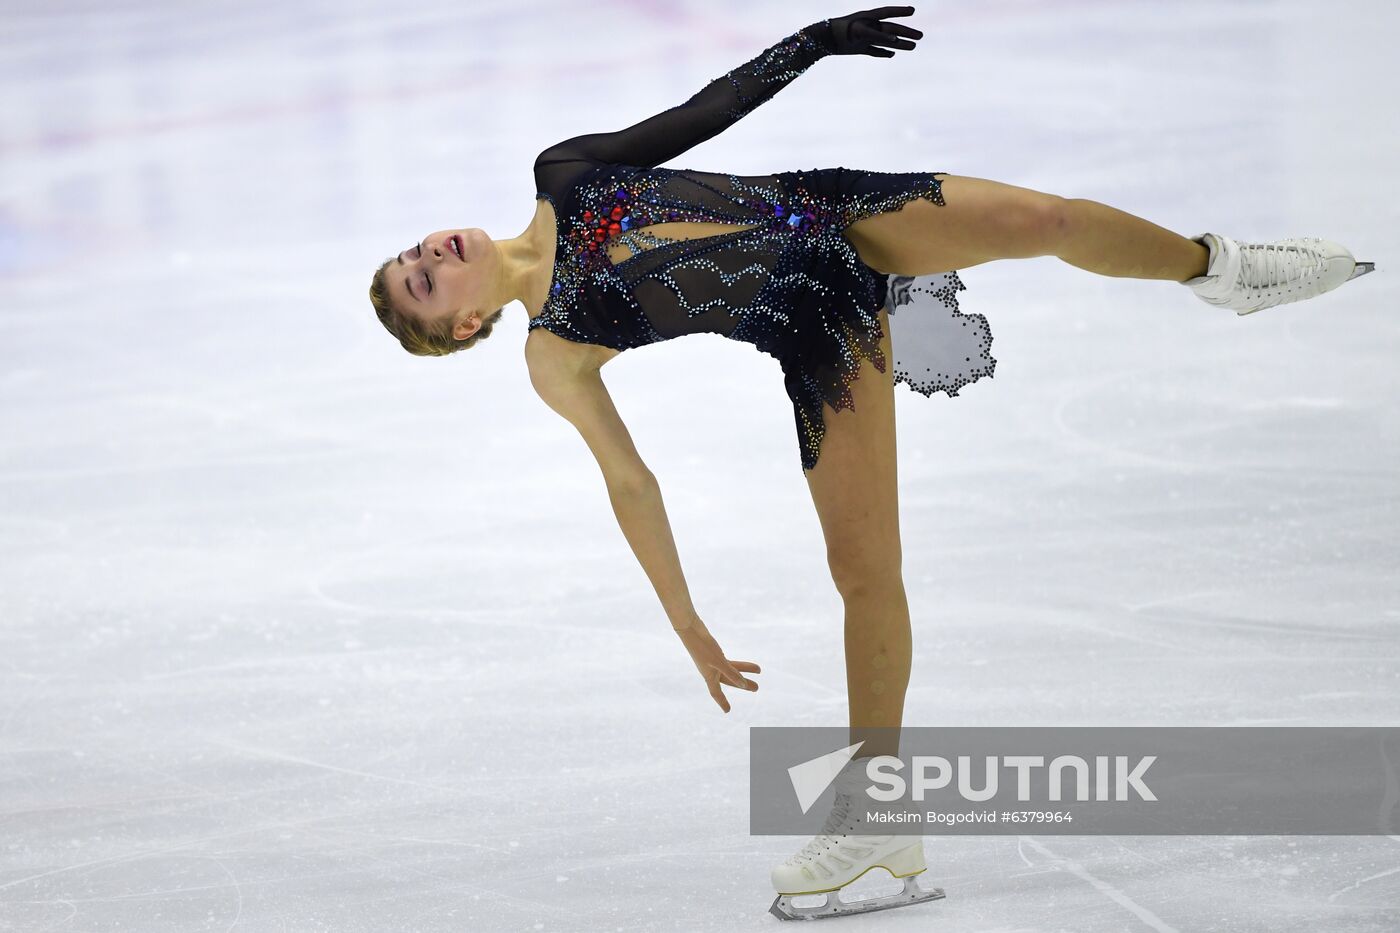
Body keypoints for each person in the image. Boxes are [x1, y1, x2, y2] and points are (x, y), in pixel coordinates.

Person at [367, 6, 1374, 919]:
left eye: (415, 248)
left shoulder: (562, 174)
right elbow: (629, 482)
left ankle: (1224, 269)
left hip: (839, 211)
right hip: (819, 334)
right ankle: (875, 809)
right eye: (422, 279)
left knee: (1047, 221)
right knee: (863, 574)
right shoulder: (555, 349)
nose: (431, 249)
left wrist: (808, 44)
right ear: (462, 325)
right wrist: (687, 623)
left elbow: (701, 112)